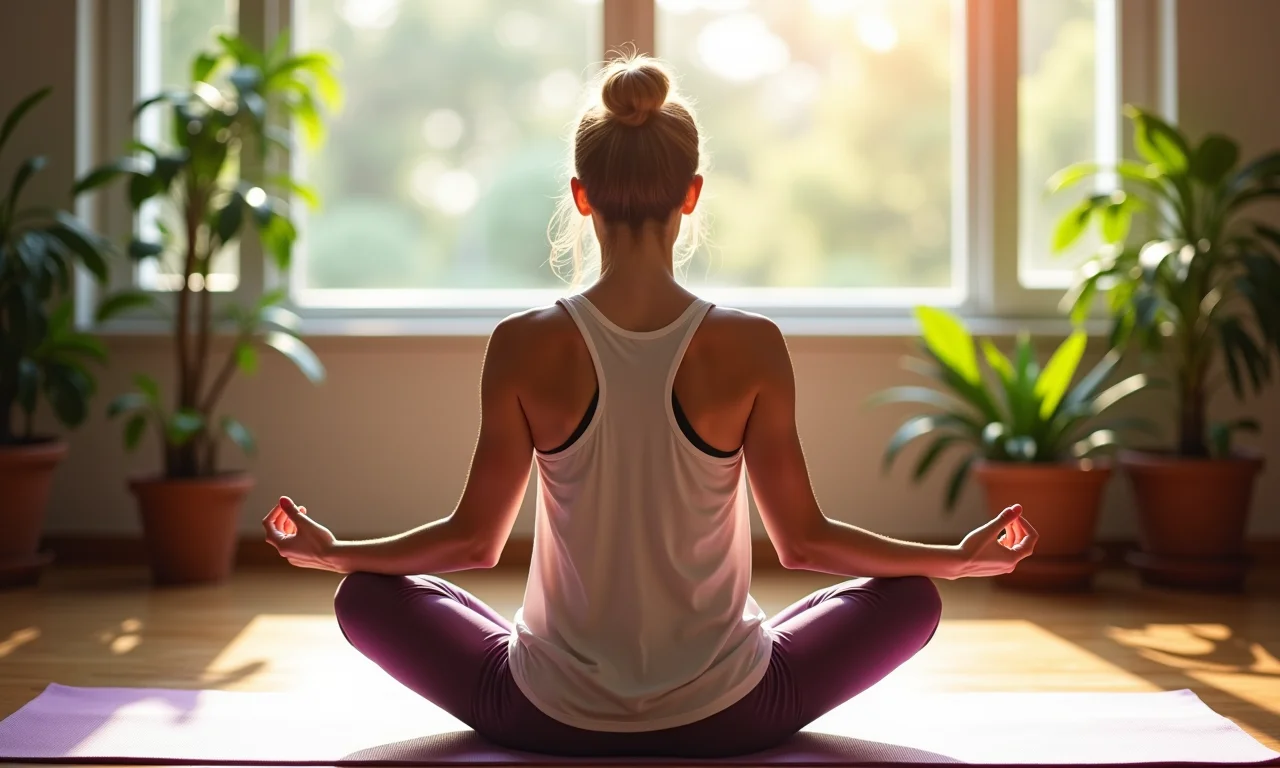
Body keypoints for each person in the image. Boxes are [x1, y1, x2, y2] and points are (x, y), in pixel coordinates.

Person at [262, 54, 1037, 758]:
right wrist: (956, 559)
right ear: (691, 195)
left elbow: (473, 544)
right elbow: (804, 544)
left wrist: (337, 551)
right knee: (911, 598)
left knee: (364, 594)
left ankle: (547, 666)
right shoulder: (753, 344)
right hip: (734, 713)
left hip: (546, 714)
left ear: (580, 195)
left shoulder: (523, 344)